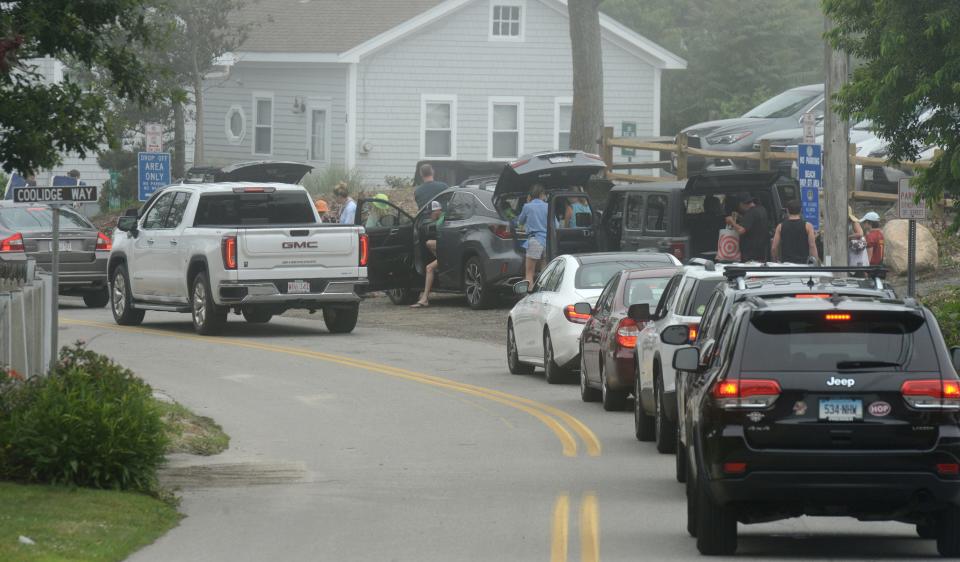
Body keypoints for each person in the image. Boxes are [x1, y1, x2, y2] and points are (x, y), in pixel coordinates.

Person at [411, 200, 445, 308]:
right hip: (449, 250)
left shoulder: (441, 221)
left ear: (436, 211)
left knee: (429, 268)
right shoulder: (443, 217)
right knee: (429, 243)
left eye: (430, 213)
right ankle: (442, 261)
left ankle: (425, 298)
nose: (430, 217)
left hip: (450, 252)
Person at [516, 183, 549, 285]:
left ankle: (529, 296)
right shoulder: (548, 206)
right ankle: (544, 295)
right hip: (547, 242)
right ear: (541, 194)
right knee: (545, 274)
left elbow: (519, 222)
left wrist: (527, 203)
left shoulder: (527, 206)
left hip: (534, 241)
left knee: (529, 273)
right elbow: (555, 224)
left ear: (531, 195)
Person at [725, 193, 770, 262]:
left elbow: (741, 230)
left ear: (742, 204)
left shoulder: (750, 213)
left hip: (751, 254)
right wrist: (741, 218)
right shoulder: (761, 209)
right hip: (762, 251)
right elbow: (754, 224)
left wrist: (732, 222)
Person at [771, 199, 818, 263]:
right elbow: (812, 246)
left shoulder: (780, 226)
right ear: (801, 210)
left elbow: (774, 248)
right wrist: (815, 263)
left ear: (787, 211)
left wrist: (775, 261)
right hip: (803, 264)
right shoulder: (808, 226)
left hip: (786, 265)